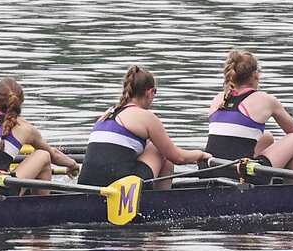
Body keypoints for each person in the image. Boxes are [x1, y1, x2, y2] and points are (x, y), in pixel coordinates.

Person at [78, 66, 210, 190]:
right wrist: (200, 154)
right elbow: (178, 157)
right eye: (155, 93)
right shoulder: (146, 117)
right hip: (119, 188)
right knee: (160, 150)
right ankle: (161, 204)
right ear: (150, 92)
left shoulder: (108, 113)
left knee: (144, 146)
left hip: (86, 185)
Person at [205, 50, 293, 179]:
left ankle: (267, 183)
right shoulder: (266, 100)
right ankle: (292, 193)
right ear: (256, 75)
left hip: (210, 171)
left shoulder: (218, 99)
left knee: (266, 137)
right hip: (241, 174)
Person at [0, 77, 80, 195]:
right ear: (20, 103)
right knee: (44, 155)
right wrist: (72, 165)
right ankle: (39, 209)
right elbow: (54, 155)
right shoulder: (25, 128)